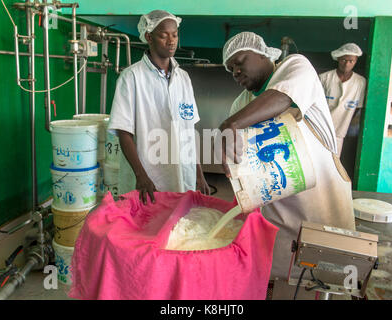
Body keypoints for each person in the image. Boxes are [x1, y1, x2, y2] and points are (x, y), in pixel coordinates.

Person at [219, 32, 356, 284]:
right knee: (286, 283)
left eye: (240, 61)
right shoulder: (240, 103)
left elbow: (283, 97)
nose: (236, 71)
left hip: (321, 202)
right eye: (230, 69)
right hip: (280, 212)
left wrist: (232, 124)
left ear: (263, 54)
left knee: (328, 281)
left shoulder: (295, 66)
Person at [108, 10, 210, 204]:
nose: (171, 41)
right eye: (164, 35)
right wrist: (141, 175)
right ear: (149, 37)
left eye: (175, 34)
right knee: (145, 227)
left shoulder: (183, 78)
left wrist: (199, 173)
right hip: (148, 177)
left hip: (181, 172)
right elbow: (124, 132)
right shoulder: (131, 78)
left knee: (179, 227)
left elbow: (189, 130)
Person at [319, 43, 367, 155]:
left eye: (351, 61)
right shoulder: (324, 78)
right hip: (320, 129)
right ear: (338, 59)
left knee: (334, 161)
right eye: (344, 60)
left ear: (355, 61)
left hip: (339, 133)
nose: (347, 64)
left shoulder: (360, 82)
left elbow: (357, 108)